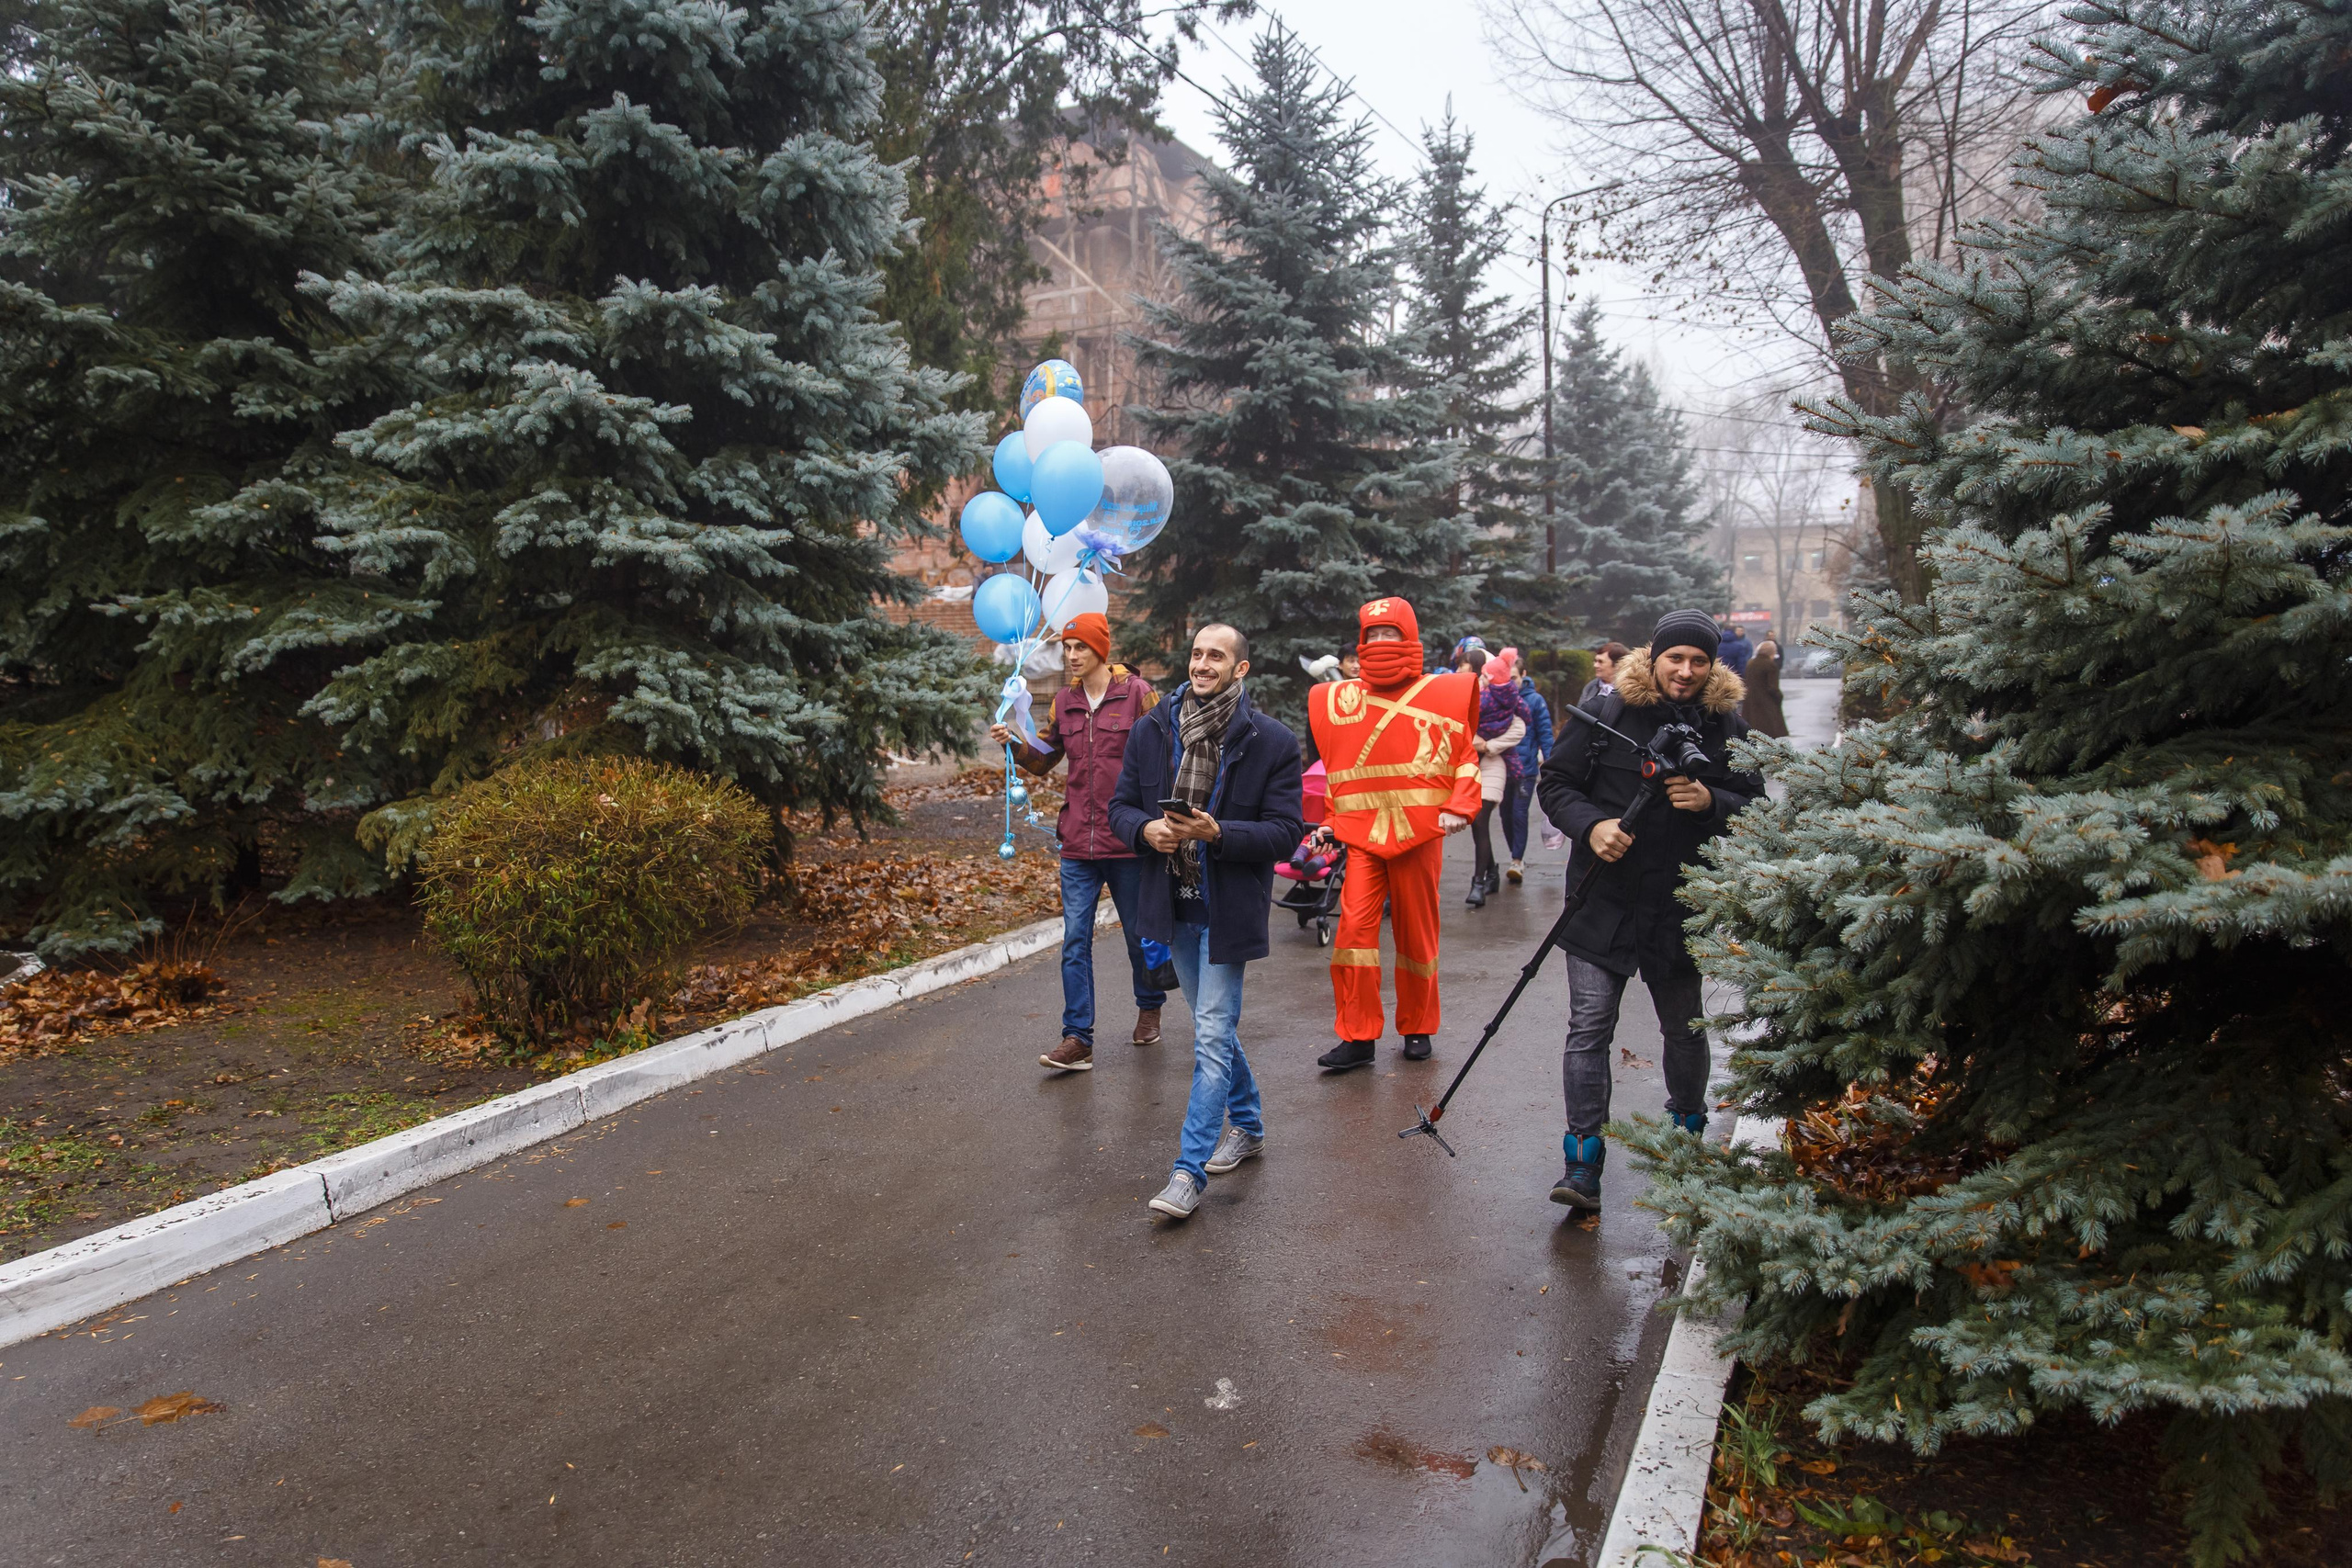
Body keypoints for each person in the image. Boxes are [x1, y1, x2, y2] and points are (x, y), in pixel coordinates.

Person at [1535, 609, 1766, 1211]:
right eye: (1675, 658)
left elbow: (1755, 800)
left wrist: (1711, 798)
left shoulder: (1727, 726)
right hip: (1600, 898)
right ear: (1655, 657)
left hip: (1679, 902)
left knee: (1683, 1029)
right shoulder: (1608, 712)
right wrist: (1593, 826)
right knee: (1588, 1028)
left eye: (1698, 660)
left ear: (1711, 665)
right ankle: (1581, 1163)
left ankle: (1684, 1141)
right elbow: (1556, 783)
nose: (1685, 671)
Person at [1107, 625, 1303, 1222]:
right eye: (1196, 653)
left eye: (1216, 655)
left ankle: (1187, 1174)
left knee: (1212, 1036)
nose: (1202, 663)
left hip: (1227, 910)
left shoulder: (1270, 741)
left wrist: (1220, 833)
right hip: (1173, 905)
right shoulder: (1153, 729)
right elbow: (1119, 808)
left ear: (1240, 669)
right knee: (1212, 1026)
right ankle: (1246, 1122)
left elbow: (1286, 832)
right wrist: (1147, 829)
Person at [1305, 597, 1481, 1069]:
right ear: (1361, 642)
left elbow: (1464, 756)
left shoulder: (1445, 691)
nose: (1381, 644)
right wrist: (1329, 818)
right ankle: (1358, 1035)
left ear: (1409, 637)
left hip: (1420, 836)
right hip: (1362, 837)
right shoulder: (1337, 699)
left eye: (1391, 635)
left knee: (1417, 935)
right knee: (1354, 935)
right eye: (1373, 636)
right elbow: (1340, 769)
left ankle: (1418, 1026)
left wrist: (1461, 804)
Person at [992, 612, 1167, 1072]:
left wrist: (1160, 821)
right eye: (1067, 648)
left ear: (1100, 651)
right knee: (1075, 941)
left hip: (1128, 840)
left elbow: (1167, 754)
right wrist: (1014, 742)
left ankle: (1149, 1004)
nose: (1071, 656)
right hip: (1077, 843)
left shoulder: (1138, 696)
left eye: (1080, 648)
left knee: (1137, 936)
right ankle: (1078, 1038)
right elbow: (1044, 759)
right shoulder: (1063, 702)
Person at [1464, 652, 1527, 908]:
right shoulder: (1476, 696)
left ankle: (1477, 883)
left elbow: (1519, 730)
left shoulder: (1511, 701)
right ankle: (1491, 872)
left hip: (1494, 762)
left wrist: (1487, 745)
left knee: (1480, 817)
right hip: (1469, 762)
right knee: (1474, 822)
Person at [1502, 649, 1554, 885]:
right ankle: (1516, 852)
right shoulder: (1499, 697)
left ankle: (1517, 860)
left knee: (1519, 813)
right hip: (1502, 768)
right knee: (1505, 815)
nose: (1509, 683)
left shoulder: (1535, 701)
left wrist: (1553, 769)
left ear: (1523, 675)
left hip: (1526, 769)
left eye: (1513, 678)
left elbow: (1545, 735)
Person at [1742, 637, 1789, 739]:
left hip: (1750, 701)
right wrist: (1779, 697)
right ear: (1772, 652)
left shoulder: (1750, 663)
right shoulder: (1770, 665)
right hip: (1766, 704)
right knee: (1769, 732)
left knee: (1753, 730)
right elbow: (1772, 687)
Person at [1580, 641, 1628, 705]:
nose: (1595, 665)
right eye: (1595, 661)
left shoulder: (1628, 690)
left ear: (1617, 665)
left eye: (1600, 662)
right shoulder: (1591, 687)